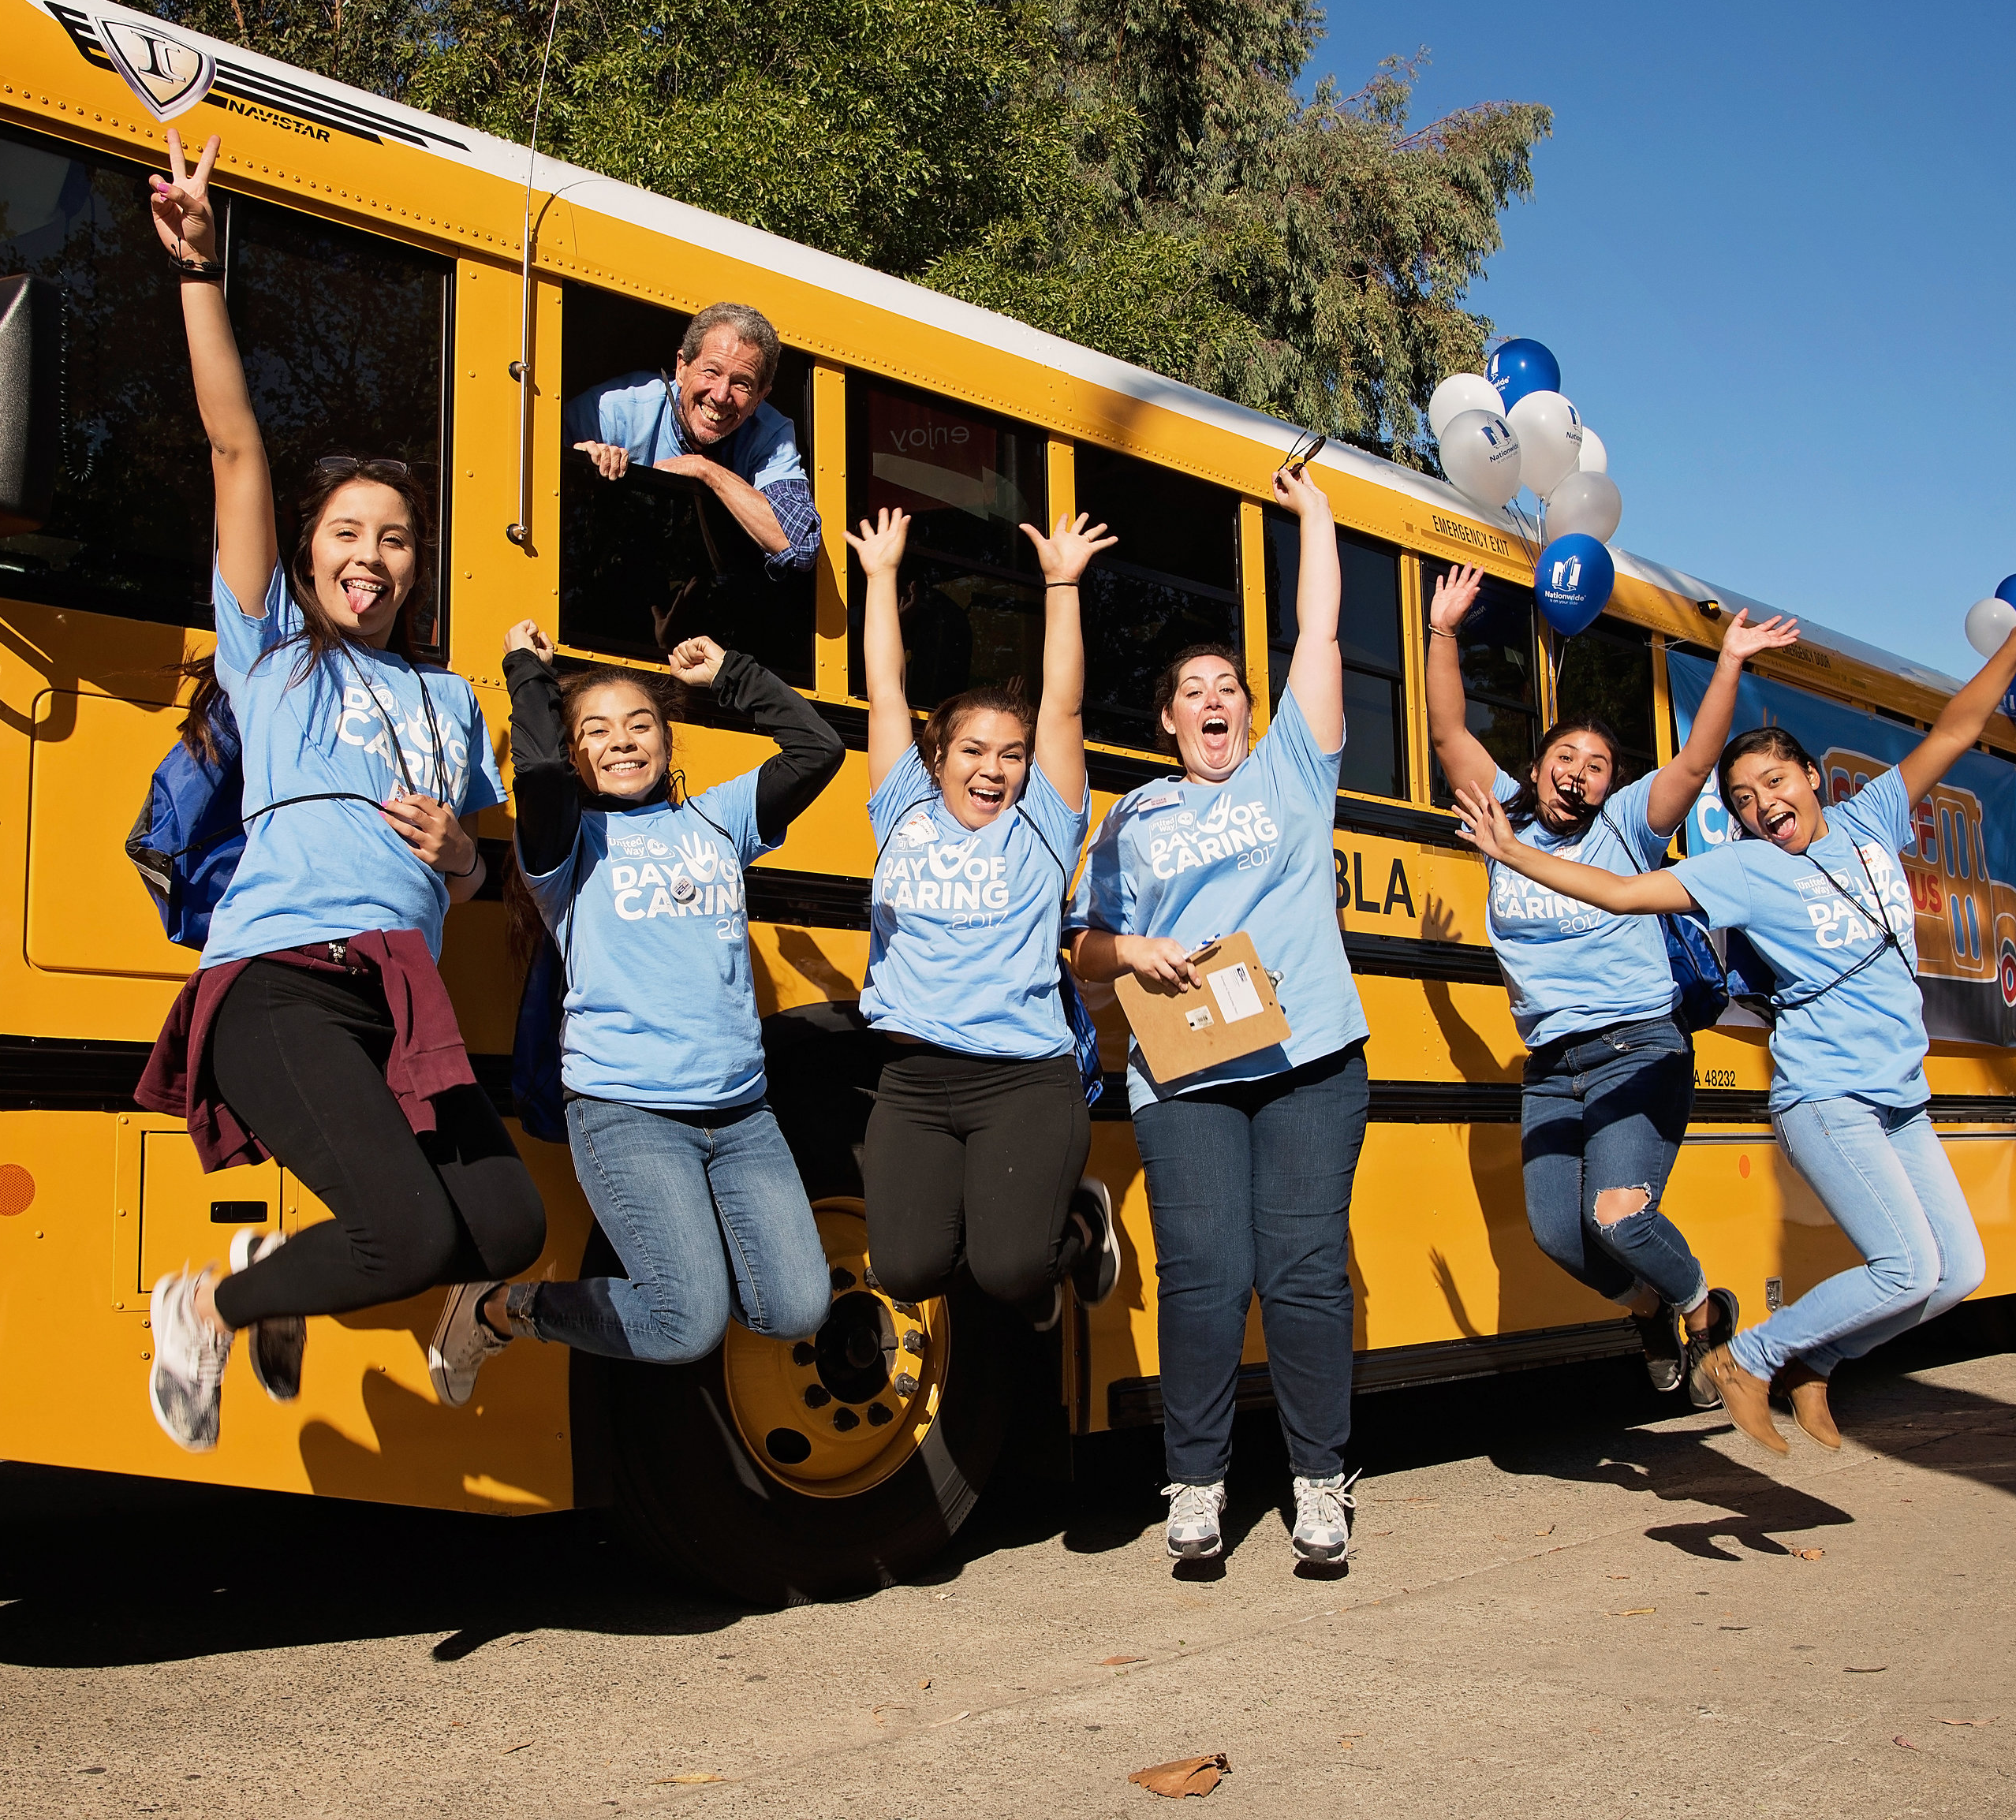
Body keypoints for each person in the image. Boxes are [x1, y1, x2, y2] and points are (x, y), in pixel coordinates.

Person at [1450, 541, 2016, 1456]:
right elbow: (1622, 894)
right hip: (1827, 1092)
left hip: (1901, 1095)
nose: (1760, 804)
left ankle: (1817, 1364)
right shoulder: (1740, 871)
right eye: (1742, 799)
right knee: (1904, 1263)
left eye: (1773, 783)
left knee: (1956, 1274)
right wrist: (1512, 855)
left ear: (1812, 781)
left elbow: (1957, 728)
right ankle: (1752, 1355)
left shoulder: (1872, 822)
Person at [132, 131, 545, 1453]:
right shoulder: (274, 661)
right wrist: (202, 272)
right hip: (284, 981)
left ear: (418, 563)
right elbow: (238, 451)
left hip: (401, 995)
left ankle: (445, 1322)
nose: (373, 557)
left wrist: (466, 862)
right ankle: (207, 1306)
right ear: (309, 557)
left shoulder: (448, 701)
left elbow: (494, 871)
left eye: (397, 539)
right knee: (408, 1229)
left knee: (511, 1227)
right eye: (348, 536)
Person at [1070, 464, 1369, 1567]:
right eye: (1194, 688)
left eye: (1229, 685)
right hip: (1186, 1069)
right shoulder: (1133, 815)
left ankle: (1319, 1482)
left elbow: (1322, 638)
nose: (1215, 697)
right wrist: (1134, 951)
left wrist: (1318, 524)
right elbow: (1083, 944)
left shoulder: (1293, 768)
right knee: (1204, 1274)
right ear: (1168, 720)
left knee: (1302, 1272)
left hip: (1307, 1060)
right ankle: (1194, 1485)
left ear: (1250, 709)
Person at [426, 620, 844, 1383]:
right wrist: (528, 672)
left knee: (794, 1311)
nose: (621, 742)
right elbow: (542, 773)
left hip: (743, 1115)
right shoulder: (563, 844)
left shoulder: (719, 821)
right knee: (683, 1326)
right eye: (596, 731)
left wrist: (732, 672)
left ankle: (690, 1281)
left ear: (667, 741)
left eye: (640, 724)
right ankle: (503, 1309)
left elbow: (819, 751)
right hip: (630, 1113)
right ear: (575, 749)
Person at [1424, 566, 1801, 1400]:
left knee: (1619, 1213)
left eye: (1597, 765)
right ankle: (1646, 1309)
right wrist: (1442, 631)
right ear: (1539, 765)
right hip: (1552, 1064)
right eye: (1567, 756)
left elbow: (1699, 761)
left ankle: (1705, 1311)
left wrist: (1730, 661)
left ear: (1609, 784)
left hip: (1638, 1046)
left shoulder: (1628, 828)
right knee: (1562, 1235)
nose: (1580, 773)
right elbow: (1448, 728)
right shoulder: (1506, 816)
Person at [851, 502, 1119, 1327]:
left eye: (1010, 754)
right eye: (972, 750)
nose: (992, 769)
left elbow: (1064, 709)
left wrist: (1062, 581)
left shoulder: (1040, 827)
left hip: (1022, 1080)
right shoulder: (901, 808)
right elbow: (886, 689)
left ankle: (1075, 1223)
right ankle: (1019, 1224)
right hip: (914, 1078)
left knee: (1010, 1275)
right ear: (937, 758)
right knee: (903, 1268)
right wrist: (881, 575)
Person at [564, 301, 821, 576]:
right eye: (711, 371)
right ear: (682, 368)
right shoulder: (613, 409)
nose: (721, 395)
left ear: (760, 397)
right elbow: (528, 475)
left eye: (742, 383)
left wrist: (706, 470)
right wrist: (578, 467)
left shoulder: (771, 435)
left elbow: (799, 544)